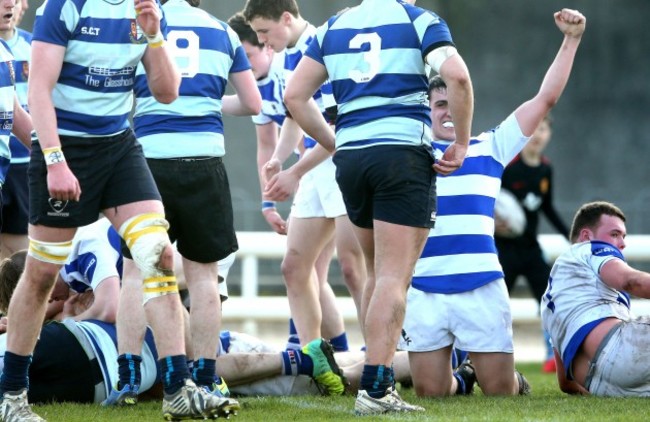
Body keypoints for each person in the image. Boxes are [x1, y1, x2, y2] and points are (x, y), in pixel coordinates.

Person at [0, 1, 237, 420]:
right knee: (41, 273)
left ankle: (178, 387)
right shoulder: (66, 7)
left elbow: (167, 92)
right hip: (66, 146)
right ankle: (13, 395)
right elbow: (38, 88)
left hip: (119, 147)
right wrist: (54, 159)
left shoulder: (148, 8)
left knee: (158, 255)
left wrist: (154, 33)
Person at [279, 0, 474, 414]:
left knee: (373, 272)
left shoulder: (332, 25)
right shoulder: (417, 19)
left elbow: (294, 96)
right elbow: (456, 75)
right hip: (401, 153)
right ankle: (377, 388)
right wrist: (460, 143)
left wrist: (336, 143)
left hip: (352, 159)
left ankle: (373, 373)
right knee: (392, 277)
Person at [399, 8, 586, 398]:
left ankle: (511, 379)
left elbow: (546, 98)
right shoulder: (409, 151)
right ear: (426, 109)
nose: (448, 111)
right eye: (439, 105)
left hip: (481, 285)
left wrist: (571, 40)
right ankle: (464, 377)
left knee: (500, 392)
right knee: (431, 393)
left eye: (454, 101)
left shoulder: (492, 146)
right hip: (424, 288)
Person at [103, 0, 259, 410]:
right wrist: (206, 103)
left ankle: (129, 379)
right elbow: (252, 103)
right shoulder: (224, 33)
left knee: (136, 272)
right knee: (206, 277)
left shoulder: (143, 25)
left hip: (149, 163)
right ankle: (205, 378)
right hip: (204, 161)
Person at [242, 0, 366, 362]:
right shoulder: (286, 56)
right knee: (295, 267)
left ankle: (381, 357)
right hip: (314, 165)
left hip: (342, 162)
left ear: (286, 18)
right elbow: (297, 112)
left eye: (265, 32)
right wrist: (281, 156)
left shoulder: (322, 42)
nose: (263, 42)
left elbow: (336, 131)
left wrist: (295, 171)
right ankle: (315, 361)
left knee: (352, 266)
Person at [540, 201, 650, 397]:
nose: (622, 243)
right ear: (586, 236)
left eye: (623, 236)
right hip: (621, 349)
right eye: (615, 234)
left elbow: (566, 383)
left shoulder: (551, 298)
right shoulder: (590, 248)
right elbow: (631, 281)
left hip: (602, 385)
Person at [495, 113, 571, 373]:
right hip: (504, 250)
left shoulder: (545, 169)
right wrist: (492, 223)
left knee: (550, 300)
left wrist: (572, 237)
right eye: (534, 129)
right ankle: (485, 354)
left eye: (544, 130)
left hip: (530, 250)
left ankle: (553, 355)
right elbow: (488, 200)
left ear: (549, 134)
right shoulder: (509, 167)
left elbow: (547, 207)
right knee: (496, 303)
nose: (538, 135)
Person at [0, 0, 30, 261]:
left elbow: (16, 113)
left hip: (16, 165)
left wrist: (56, 158)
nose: (9, 4)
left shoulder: (7, 52)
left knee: (20, 257)